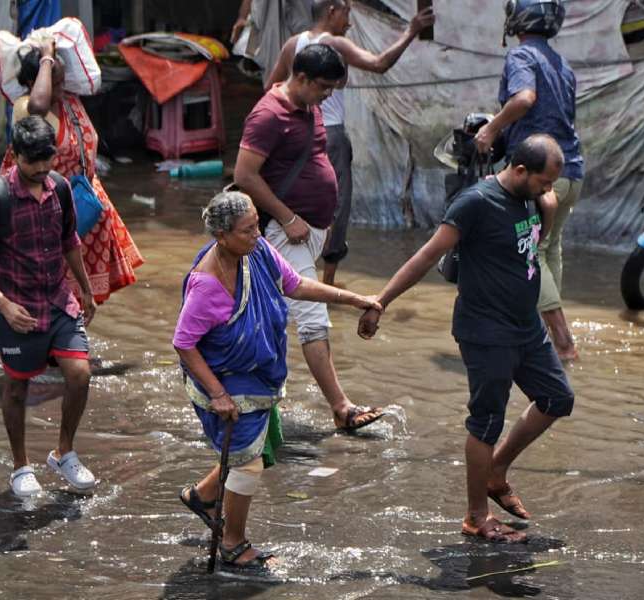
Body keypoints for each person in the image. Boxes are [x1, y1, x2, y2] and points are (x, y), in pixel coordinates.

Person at [358, 134, 575, 543]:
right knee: (485, 423)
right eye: (545, 183)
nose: (550, 192)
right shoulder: (475, 203)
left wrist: (545, 204)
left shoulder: (531, 198)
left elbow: (533, 238)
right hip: (486, 330)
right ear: (520, 170)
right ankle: (476, 516)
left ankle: (497, 470)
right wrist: (380, 301)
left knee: (557, 398)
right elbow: (426, 255)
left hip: (526, 326)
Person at [174, 191, 381, 568]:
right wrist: (218, 394)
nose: (257, 235)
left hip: (257, 375)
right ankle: (233, 544)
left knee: (257, 453)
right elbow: (184, 343)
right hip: (223, 378)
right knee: (248, 463)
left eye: (257, 225)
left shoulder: (257, 252)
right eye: (247, 230)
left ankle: (203, 496)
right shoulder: (207, 285)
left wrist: (352, 299)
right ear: (221, 236)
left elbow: (295, 285)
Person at [234, 43, 384, 432]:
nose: (327, 95)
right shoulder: (268, 114)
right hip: (283, 231)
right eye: (323, 87)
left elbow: (314, 158)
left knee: (269, 316)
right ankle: (341, 408)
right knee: (313, 318)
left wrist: (324, 220)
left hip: (310, 230)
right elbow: (245, 175)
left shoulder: (309, 106)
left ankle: (252, 396)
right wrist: (288, 218)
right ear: (300, 77)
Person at [0, 115, 97, 497]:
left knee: (79, 374)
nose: (41, 169)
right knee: (17, 386)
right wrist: (3, 307)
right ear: (16, 156)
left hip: (57, 298)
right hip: (16, 308)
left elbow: (69, 240)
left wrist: (86, 290)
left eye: (48, 160)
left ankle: (64, 451)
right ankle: (21, 466)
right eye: (32, 162)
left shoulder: (59, 188)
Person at [264, 0, 435, 286]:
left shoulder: (293, 44)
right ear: (332, 11)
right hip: (329, 136)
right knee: (337, 207)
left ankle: (285, 274)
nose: (350, 22)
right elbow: (379, 64)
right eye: (347, 14)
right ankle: (327, 282)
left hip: (294, 136)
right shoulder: (335, 44)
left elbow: (270, 86)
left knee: (293, 199)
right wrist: (411, 30)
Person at [473, 0, 583, 360]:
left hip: (538, 175)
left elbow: (525, 98)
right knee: (551, 249)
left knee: (532, 251)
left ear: (518, 19)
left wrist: (491, 128)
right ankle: (549, 336)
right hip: (571, 170)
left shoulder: (522, 56)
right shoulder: (562, 64)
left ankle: (563, 342)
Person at [2, 38, 143, 304]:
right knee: (35, 296)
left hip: (81, 210)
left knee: (75, 300)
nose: (60, 88)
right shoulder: (26, 108)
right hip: (41, 215)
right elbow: (39, 106)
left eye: (62, 82)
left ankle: (69, 339)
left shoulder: (70, 103)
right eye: (54, 83)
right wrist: (46, 57)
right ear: (34, 83)